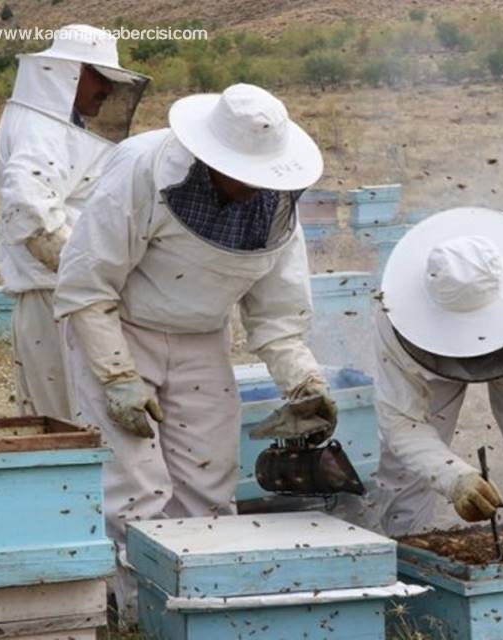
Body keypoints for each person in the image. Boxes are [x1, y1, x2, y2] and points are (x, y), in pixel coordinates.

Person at [53, 84, 338, 620]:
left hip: (202, 337)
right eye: (242, 174)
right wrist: (116, 376)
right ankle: (141, 613)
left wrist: (305, 383)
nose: (253, 188)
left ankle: (201, 610)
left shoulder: (277, 202)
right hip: (120, 327)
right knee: (136, 485)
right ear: (208, 158)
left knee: (209, 480)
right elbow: (87, 286)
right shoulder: (142, 169)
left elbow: (277, 316)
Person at [368, 207, 503, 560]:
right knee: (404, 469)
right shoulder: (396, 306)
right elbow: (402, 421)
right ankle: (411, 563)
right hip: (432, 355)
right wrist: (453, 477)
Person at [0, 24, 148, 419]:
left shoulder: (54, 123)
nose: (109, 91)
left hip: (63, 294)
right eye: (102, 78)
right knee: (74, 423)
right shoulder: (39, 126)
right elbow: (30, 212)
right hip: (57, 297)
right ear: (71, 73)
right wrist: (89, 275)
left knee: (77, 419)